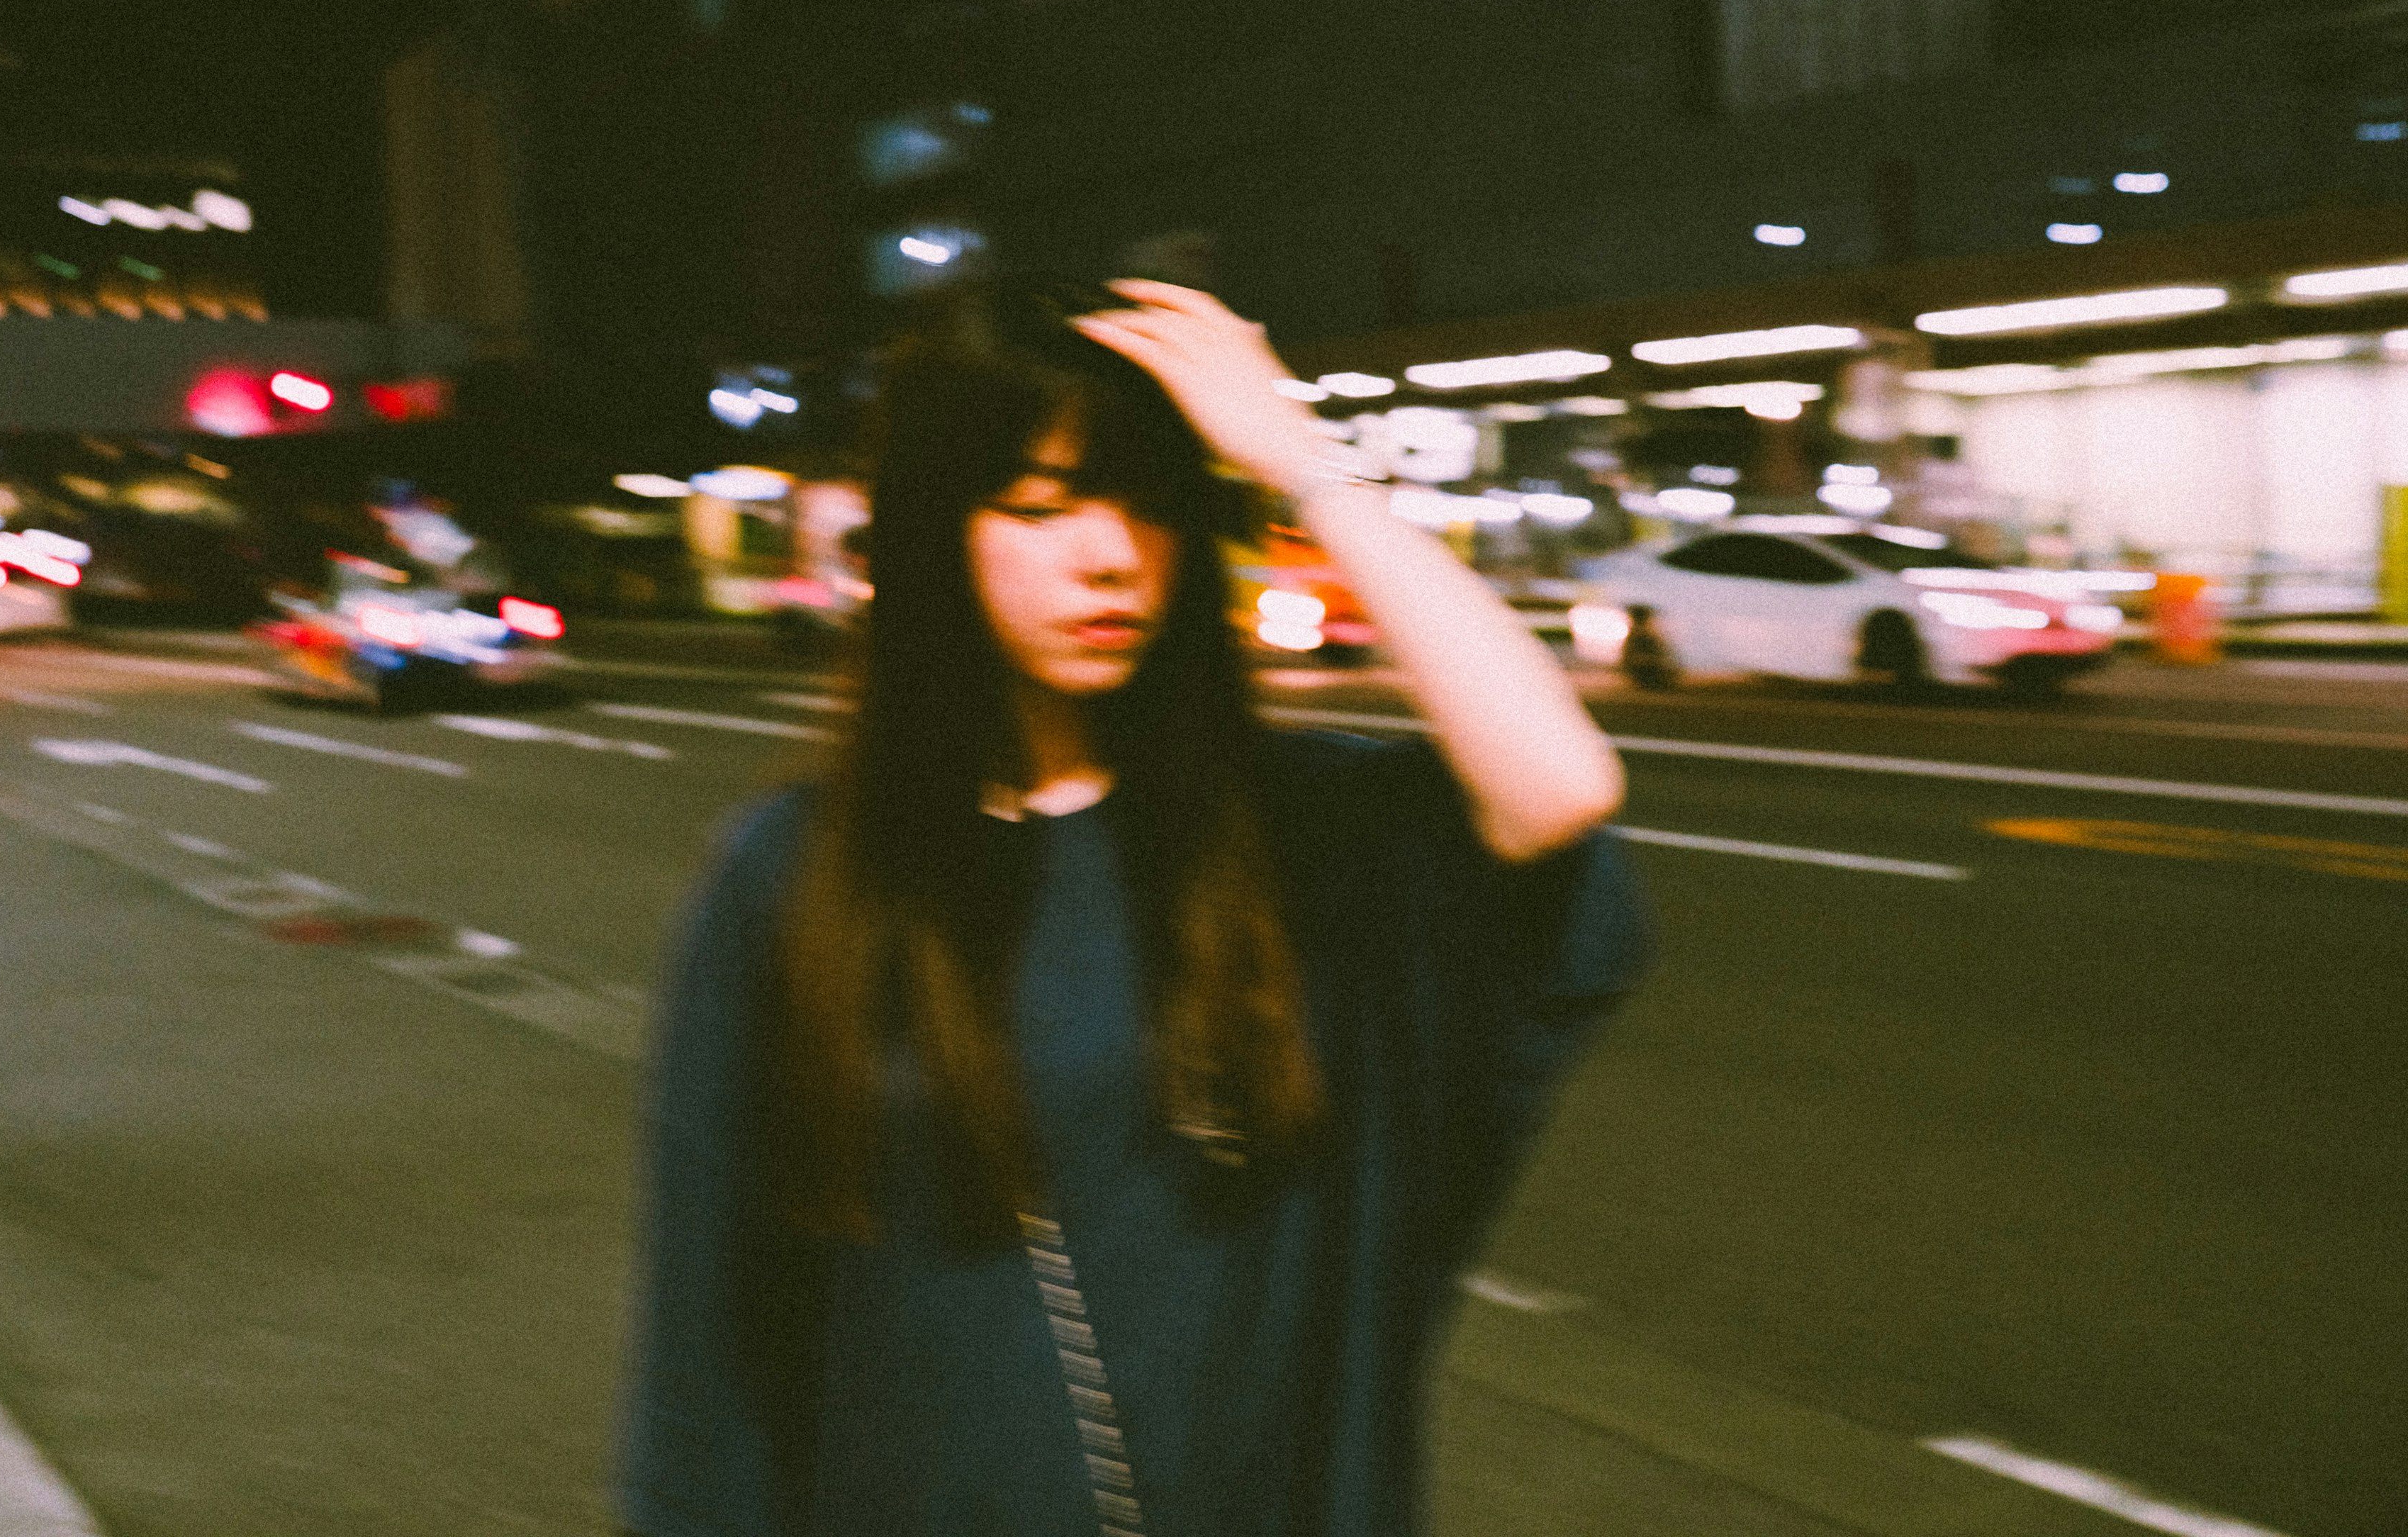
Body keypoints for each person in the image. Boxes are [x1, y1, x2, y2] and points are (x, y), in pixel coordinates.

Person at [619, 281, 1650, 1537]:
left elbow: (1559, 789)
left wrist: (1312, 467)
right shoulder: (802, 875)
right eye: (1042, 507)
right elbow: (713, 1348)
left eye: (1153, 505)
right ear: (936, 530)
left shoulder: (1291, 831)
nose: (1112, 555)